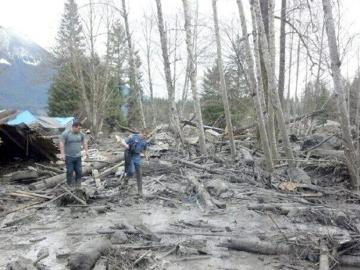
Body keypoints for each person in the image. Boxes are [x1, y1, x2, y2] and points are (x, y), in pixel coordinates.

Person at [59, 120, 88, 188]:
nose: (80, 129)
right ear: (74, 127)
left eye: (80, 128)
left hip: (78, 157)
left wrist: (86, 151)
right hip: (69, 157)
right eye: (78, 128)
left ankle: (78, 186)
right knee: (69, 171)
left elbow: (84, 142)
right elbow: (61, 143)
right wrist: (62, 154)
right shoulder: (66, 134)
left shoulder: (81, 134)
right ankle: (70, 186)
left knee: (79, 171)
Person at [120, 129, 148, 196]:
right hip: (129, 154)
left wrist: (147, 158)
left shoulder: (144, 141)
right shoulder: (133, 136)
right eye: (144, 135)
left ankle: (140, 191)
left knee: (139, 172)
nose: (145, 137)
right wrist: (125, 145)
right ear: (141, 133)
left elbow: (145, 150)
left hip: (137, 156)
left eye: (146, 136)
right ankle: (126, 180)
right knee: (131, 171)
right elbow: (123, 141)